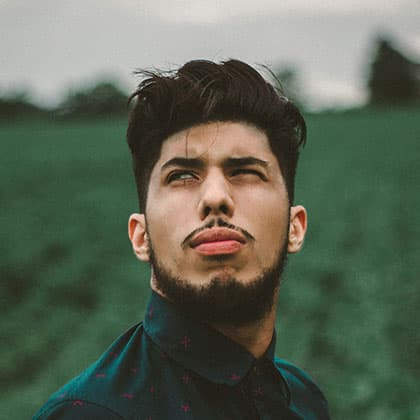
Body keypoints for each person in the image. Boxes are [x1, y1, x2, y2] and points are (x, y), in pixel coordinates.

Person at [34, 59, 331, 419]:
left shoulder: (304, 400)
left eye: (245, 172)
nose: (215, 197)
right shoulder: (88, 414)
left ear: (294, 227)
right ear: (141, 235)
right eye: (182, 176)